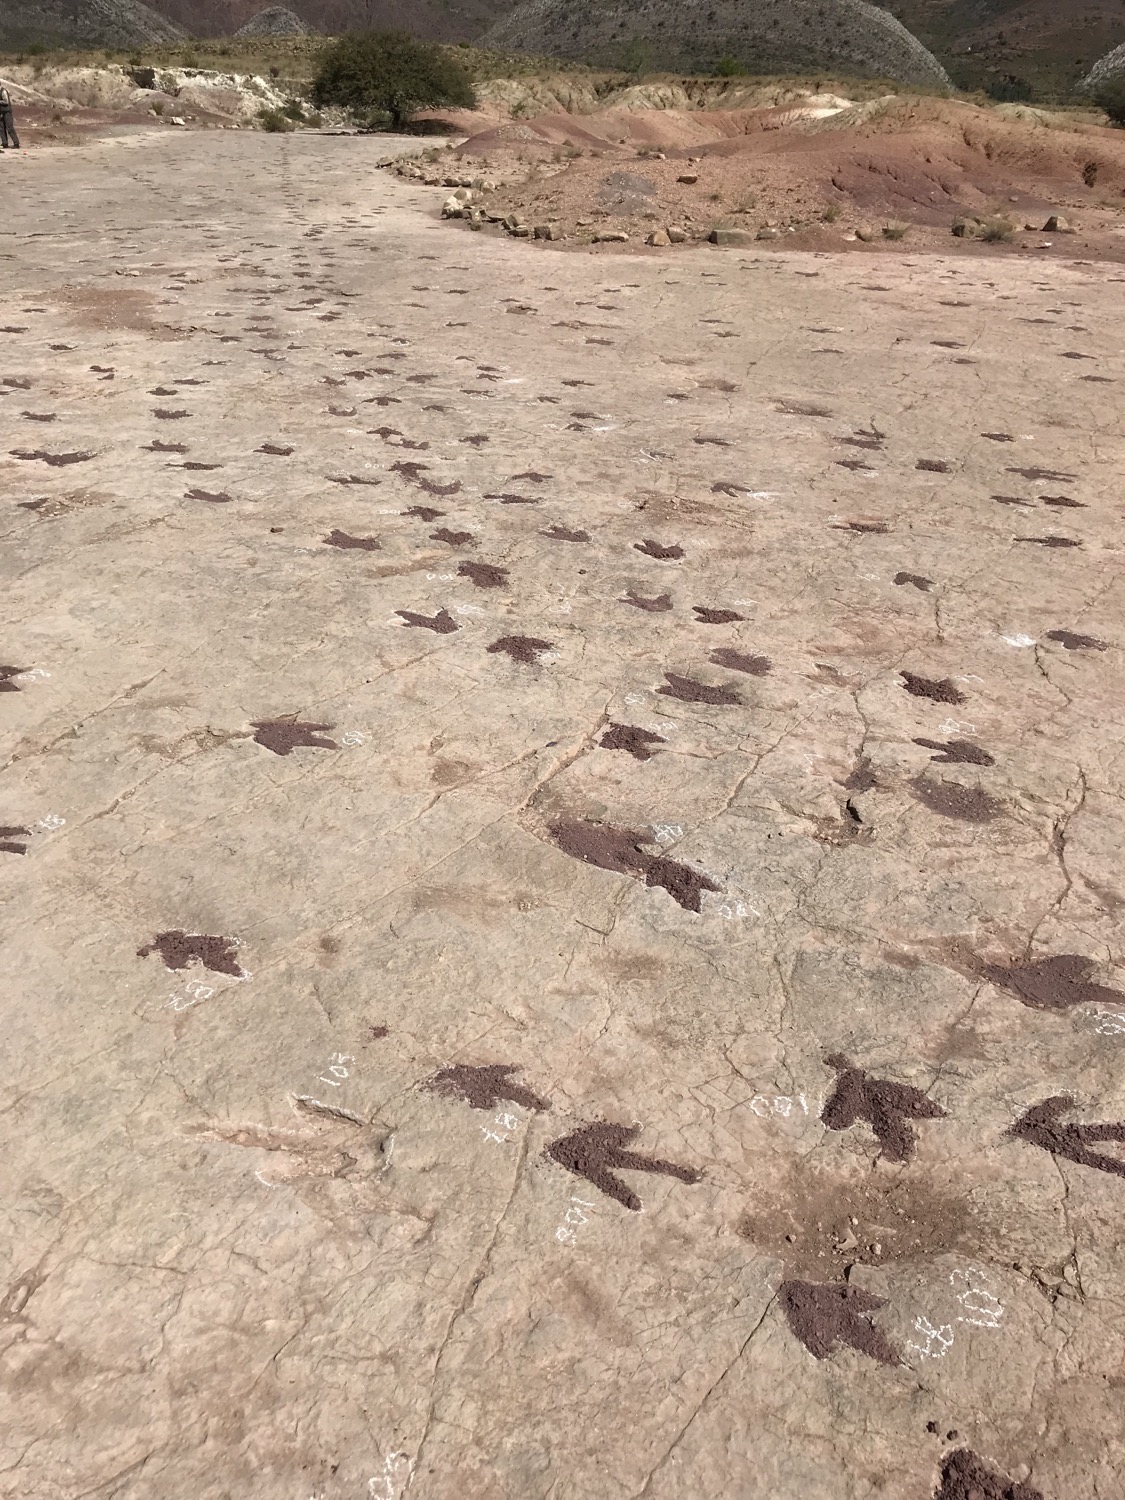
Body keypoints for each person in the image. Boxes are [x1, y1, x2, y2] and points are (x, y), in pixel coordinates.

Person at [0, 84, 20, 150]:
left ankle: (16, 143)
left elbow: (6, 101)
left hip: (7, 112)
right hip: (1, 112)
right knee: (1, 128)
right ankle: (5, 143)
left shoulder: (3, 91)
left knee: (9, 127)